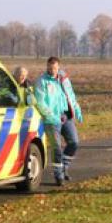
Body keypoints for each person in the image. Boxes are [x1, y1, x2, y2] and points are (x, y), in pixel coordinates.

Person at [34, 57, 83, 186]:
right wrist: (50, 115)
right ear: (46, 67)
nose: (52, 70)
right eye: (50, 68)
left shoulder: (64, 79)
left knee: (74, 142)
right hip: (51, 119)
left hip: (65, 115)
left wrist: (76, 108)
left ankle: (64, 167)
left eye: (54, 68)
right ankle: (58, 174)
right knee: (57, 147)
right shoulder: (42, 81)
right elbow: (40, 102)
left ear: (58, 67)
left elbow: (70, 95)